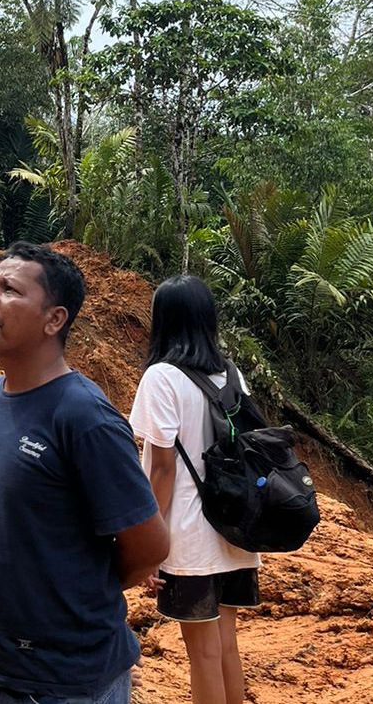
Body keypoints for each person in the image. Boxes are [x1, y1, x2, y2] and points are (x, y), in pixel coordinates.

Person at [0, 242, 169, 704]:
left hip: (66, 677)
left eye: (10, 289)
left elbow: (150, 546)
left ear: (54, 320)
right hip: (4, 664)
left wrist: (78, 592)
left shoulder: (83, 417)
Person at [129, 275, 260, 704]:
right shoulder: (231, 375)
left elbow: (162, 468)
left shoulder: (161, 377)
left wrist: (151, 541)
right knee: (225, 644)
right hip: (234, 529)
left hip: (188, 533)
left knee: (201, 653)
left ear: (162, 320)